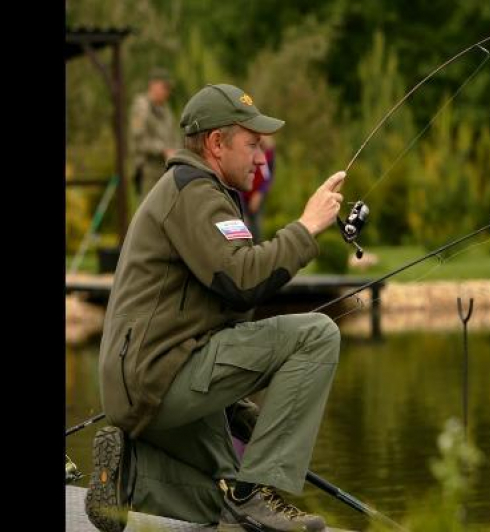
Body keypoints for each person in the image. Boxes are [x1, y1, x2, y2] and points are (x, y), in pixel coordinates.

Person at [85, 83, 346, 532]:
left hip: (141, 383)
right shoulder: (195, 192)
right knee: (317, 333)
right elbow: (242, 280)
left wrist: (235, 404)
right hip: (157, 379)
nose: (261, 157)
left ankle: (129, 478)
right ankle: (253, 492)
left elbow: (215, 313)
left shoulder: (193, 189)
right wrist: (307, 228)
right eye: (253, 144)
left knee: (222, 498)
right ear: (216, 143)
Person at [130, 67, 180, 201]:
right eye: (164, 87)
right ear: (153, 85)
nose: (167, 92)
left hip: (165, 172)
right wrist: (162, 150)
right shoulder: (142, 107)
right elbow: (139, 141)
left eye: (168, 88)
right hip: (148, 173)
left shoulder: (166, 110)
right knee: (149, 215)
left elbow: (173, 137)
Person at [239, 135, 276, 241]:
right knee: (243, 224)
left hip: (256, 194)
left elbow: (269, 176)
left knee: (256, 226)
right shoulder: (244, 148)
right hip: (241, 193)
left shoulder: (269, 151)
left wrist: (259, 193)